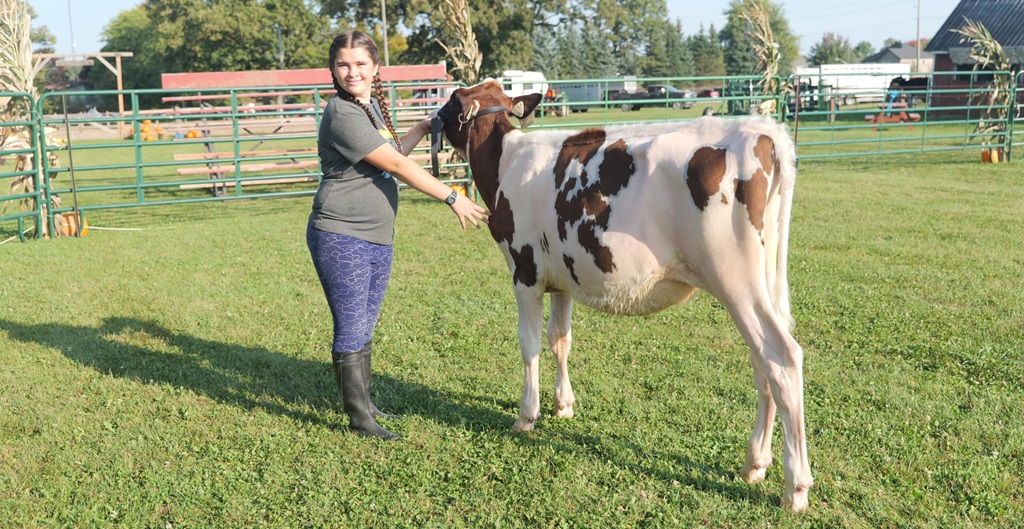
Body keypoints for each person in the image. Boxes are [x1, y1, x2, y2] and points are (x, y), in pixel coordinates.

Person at [308, 30, 488, 440]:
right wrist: (452, 196)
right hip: (341, 234)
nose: (352, 72)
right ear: (332, 70)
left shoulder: (368, 107)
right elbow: (397, 167)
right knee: (351, 325)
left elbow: (392, 154)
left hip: (376, 235)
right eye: (343, 65)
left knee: (366, 324)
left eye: (360, 64)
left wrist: (423, 127)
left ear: (375, 68)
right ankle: (360, 420)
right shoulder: (342, 113)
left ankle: (366, 405)